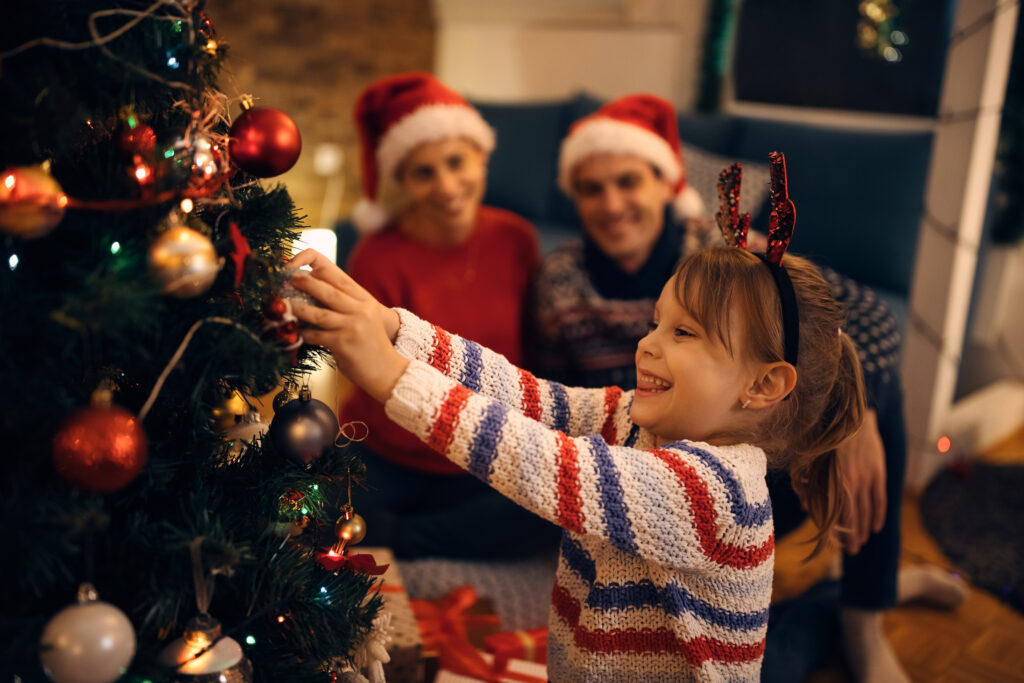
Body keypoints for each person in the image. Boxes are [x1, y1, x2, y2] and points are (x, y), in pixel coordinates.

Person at [286, 238, 866, 682]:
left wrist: (389, 377)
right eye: (655, 322)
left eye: (684, 332)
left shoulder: (716, 492)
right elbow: (530, 399)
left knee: (792, 651)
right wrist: (393, 326)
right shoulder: (637, 420)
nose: (649, 343)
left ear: (763, 385)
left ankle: (831, 611)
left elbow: (547, 463)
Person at [529, 94, 965, 682]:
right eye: (590, 188)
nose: (611, 204)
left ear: (665, 182)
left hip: (747, 475)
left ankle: (865, 617)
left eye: (627, 181)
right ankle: (839, 604)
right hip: (641, 477)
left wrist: (855, 411)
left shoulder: (725, 259)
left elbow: (863, 315)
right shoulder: (560, 282)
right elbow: (555, 399)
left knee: (872, 387)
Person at [339, 72, 558, 559]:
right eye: (423, 173)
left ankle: (402, 539)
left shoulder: (517, 239)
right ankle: (421, 533)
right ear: (401, 182)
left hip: (483, 455)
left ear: (482, 157)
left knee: (553, 513)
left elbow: (536, 354)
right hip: (390, 452)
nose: (447, 186)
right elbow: (372, 375)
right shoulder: (376, 256)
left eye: (457, 162)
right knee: (323, 510)